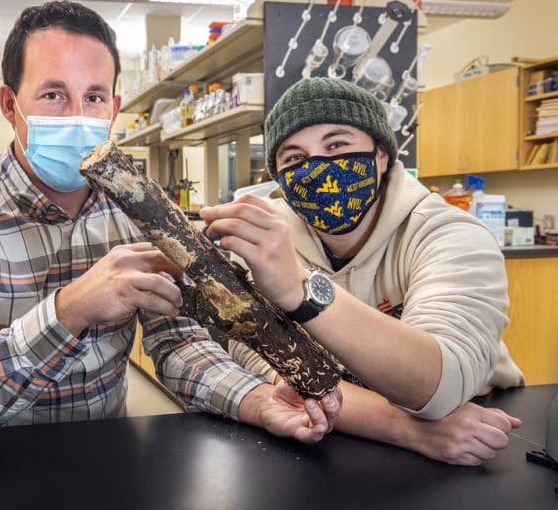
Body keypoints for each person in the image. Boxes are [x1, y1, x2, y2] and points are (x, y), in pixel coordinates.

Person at [0, 1, 341, 448]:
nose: (78, 115)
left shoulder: (137, 205)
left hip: (108, 461)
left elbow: (178, 343)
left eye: (93, 97)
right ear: (11, 105)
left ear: (114, 108)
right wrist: (70, 310)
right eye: (53, 95)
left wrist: (255, 399)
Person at [200, 77, 525, 466]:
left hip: (476, 428)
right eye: (294, 159)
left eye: (337, 145)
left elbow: (440, 387)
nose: (317, 168)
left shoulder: (450, 235)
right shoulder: (266, 239)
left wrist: (301, 290)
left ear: (381, 155)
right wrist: (403, 428)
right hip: (336, 438)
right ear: (281, 181)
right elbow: (256, 357)